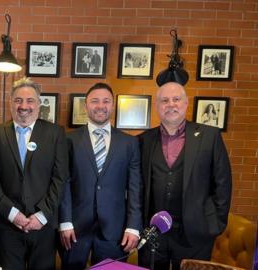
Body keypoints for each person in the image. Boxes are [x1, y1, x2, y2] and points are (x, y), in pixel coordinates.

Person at [138, 82, 232, 270]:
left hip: (196, 234)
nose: (171, 104)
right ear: (157, 106)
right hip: (153, 233)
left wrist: (214, 225)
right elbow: (137, 186)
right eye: (164, 100)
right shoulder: (143, 140)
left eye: (176, 99)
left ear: (186, 103)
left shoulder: (209, 136)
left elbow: (223, 183)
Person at [0, 77, 69, 270]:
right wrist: (13, 214)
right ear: (10, 103)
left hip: (44, 226)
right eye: (18, 100)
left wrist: (41, 215)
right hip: (8, 226)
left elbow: (60, 178)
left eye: (30, 101)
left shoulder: (55, 134)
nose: (24, 106)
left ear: (38, 104)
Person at [59, 83, 142, 269]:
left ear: (113, 106)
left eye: (106, 101)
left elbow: (135, 188)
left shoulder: (129, 143)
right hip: (75, 229)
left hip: (115, 231)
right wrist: (65, 221)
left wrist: (133, 226)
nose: (100, 106)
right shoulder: (68, 140)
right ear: (85, 106)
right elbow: (63, 183)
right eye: (94, 101)